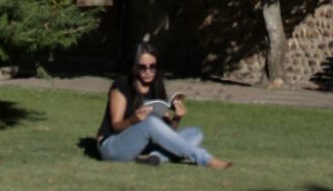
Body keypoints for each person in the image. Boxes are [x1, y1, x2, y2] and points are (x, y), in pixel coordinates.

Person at [97, 42, 232, 168]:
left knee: (195, 133)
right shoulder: (122, 85)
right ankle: (204, 158)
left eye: (152, 66)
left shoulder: (157, 87)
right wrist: (133, 120)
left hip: (142, 145)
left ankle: (155, 157)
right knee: (150, 122)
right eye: (142, 67)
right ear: (134, 67)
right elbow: (115, 125)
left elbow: (167, 133)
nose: (148, 71)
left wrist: (177, 117)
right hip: (113, 146)